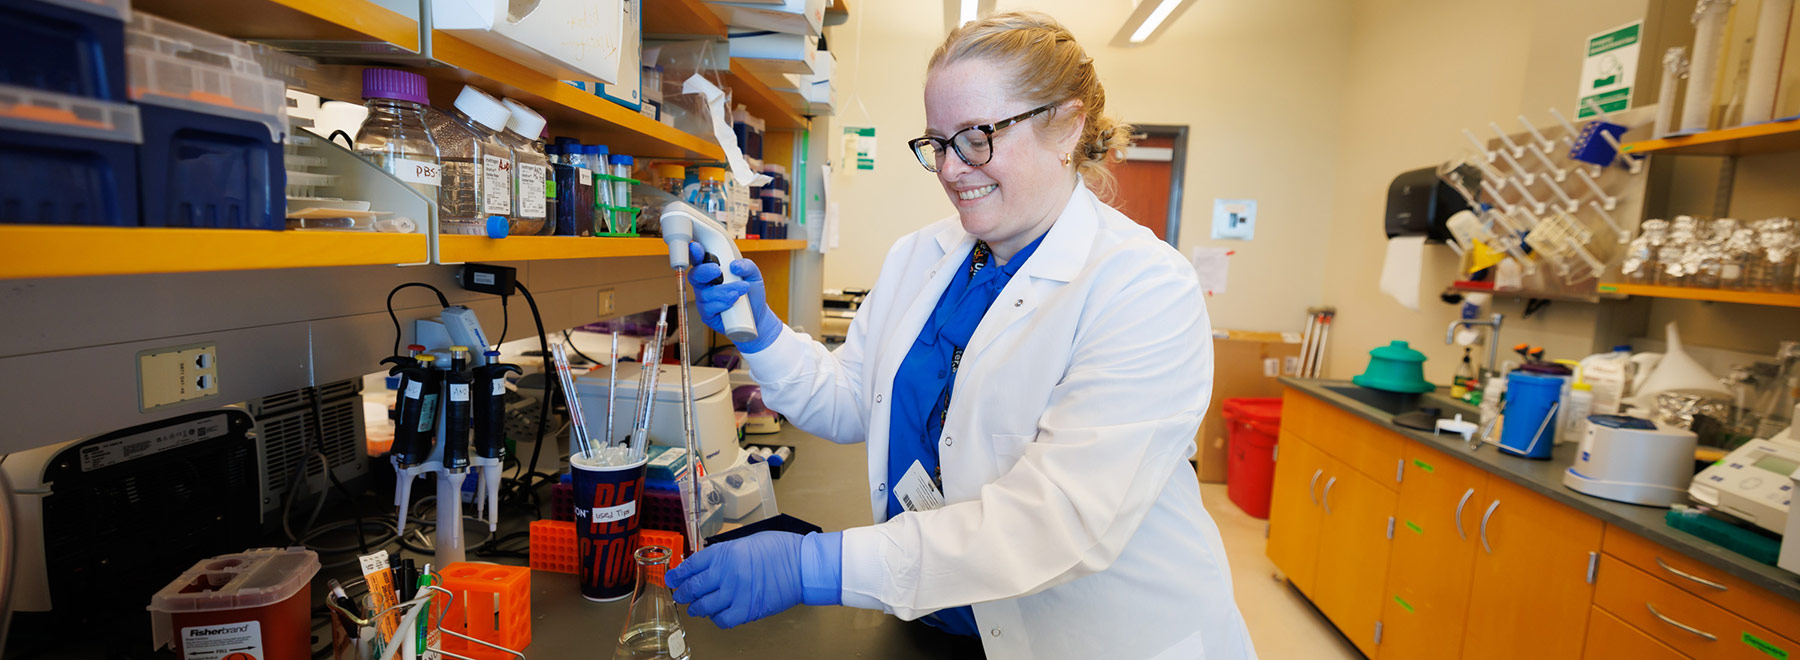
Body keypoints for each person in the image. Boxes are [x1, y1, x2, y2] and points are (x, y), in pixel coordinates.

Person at [664, 11, 1255, 659]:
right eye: (937, 143)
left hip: (1094, 637)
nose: (950, 169)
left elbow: (1056, 522)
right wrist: (763, 332)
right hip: (933, 620)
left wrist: (815, 566)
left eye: (976, 136)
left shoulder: (1144, 288)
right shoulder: (921, 255)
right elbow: (853, 400)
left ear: (1068, 124)